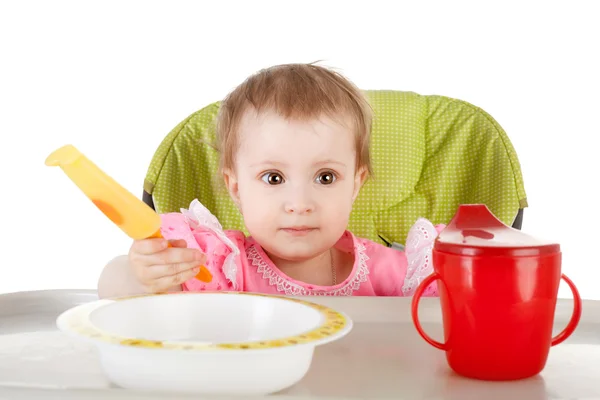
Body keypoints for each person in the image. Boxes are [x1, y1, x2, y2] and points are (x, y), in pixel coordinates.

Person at [97, 63, 444, 299]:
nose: (299, 203)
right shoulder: (221, 269)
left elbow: (448, 307)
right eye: (273, 177)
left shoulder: (393, 274)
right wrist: (142, 274)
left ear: (355, 184)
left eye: (325, 177)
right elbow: (111, 292)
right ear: (236, 188)